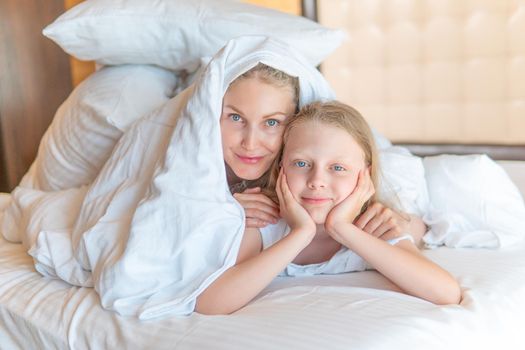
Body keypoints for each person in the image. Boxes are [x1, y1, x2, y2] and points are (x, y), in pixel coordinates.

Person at [198, 101, 462, 314]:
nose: (317, 182)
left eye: (337, 168)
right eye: (301, 164)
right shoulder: (262, 222)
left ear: (364, 176)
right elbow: (211, 304)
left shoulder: (373, 224)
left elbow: (446, 292)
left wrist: (343, 228)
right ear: (281, 168)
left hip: (392, 211)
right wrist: (301, 233)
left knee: (414, 221)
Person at [223, 64, 427, 244]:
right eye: (234, 117)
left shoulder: (338, 160)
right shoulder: (198, 163)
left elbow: (418, 224)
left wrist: (406, 226)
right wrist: (221, 210)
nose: (250, 144)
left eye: (272, 122)